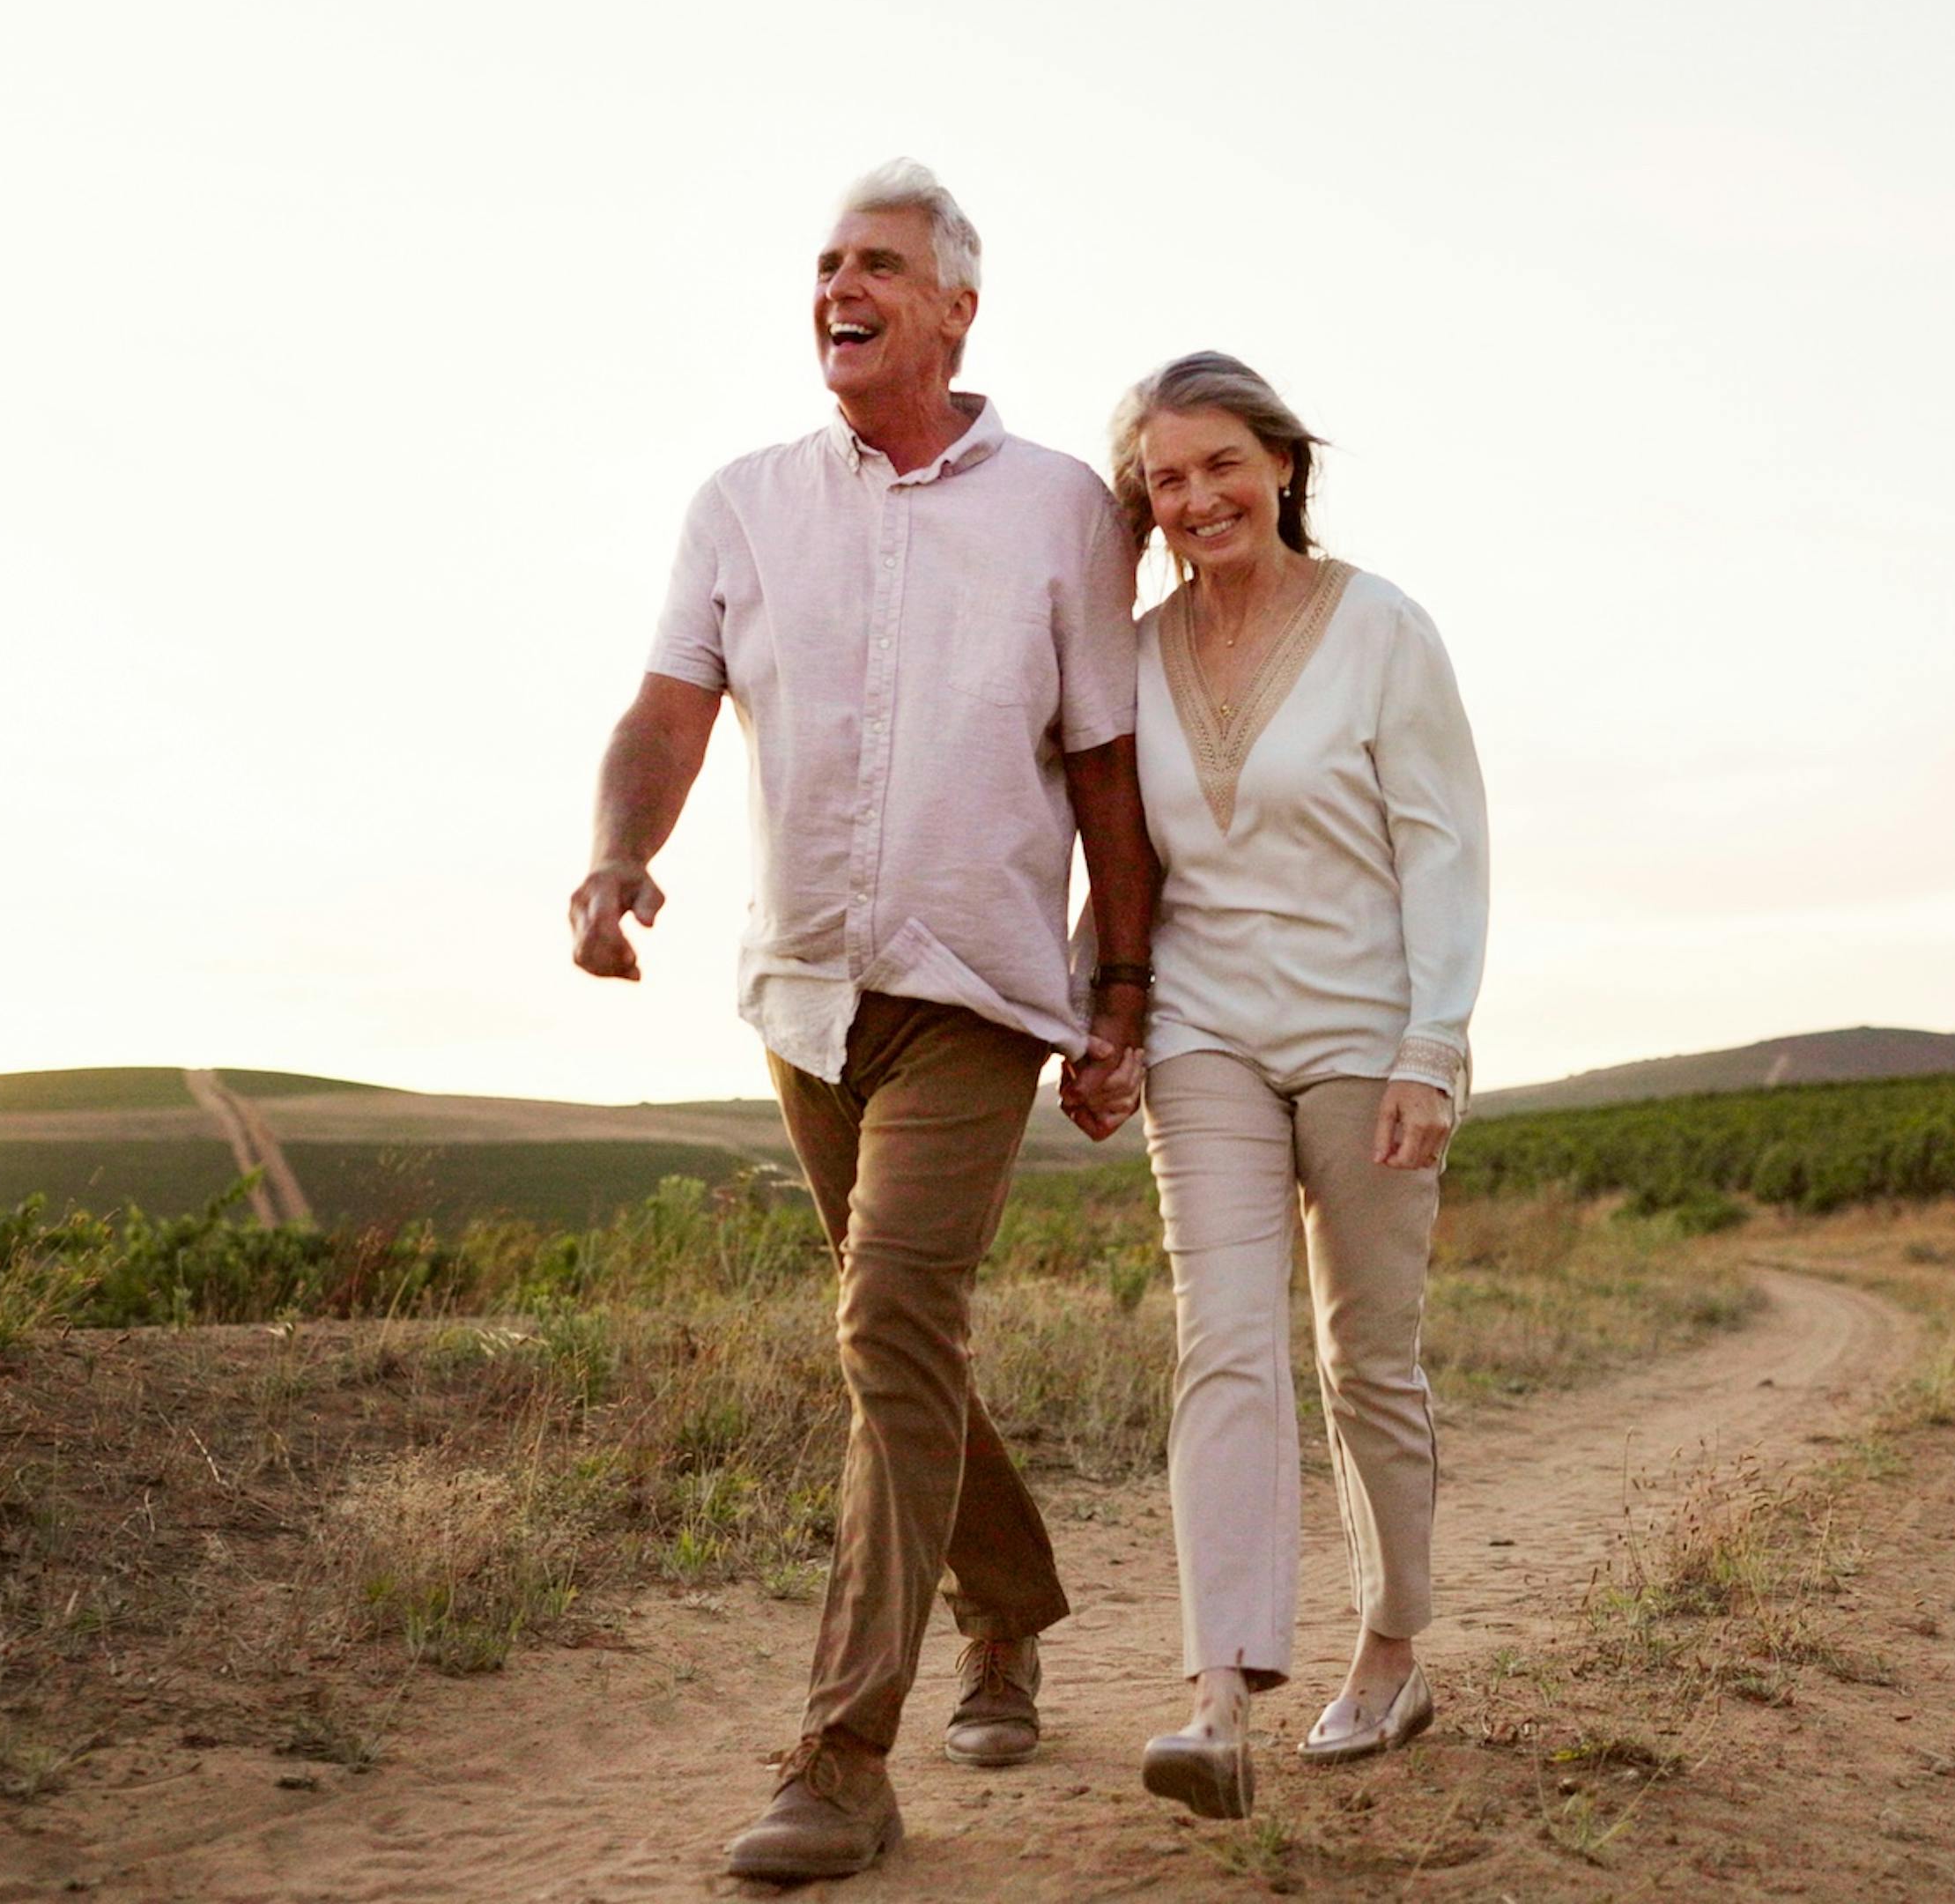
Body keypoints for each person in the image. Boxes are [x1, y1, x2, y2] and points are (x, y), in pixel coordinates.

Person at [568, 159, 1153, 1884]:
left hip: (976, 991)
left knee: (891, 1319)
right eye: (827, 263)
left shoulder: (1060, 509)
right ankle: (1010, 1608)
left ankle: (840, 1755)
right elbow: (672, 710)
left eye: (880, 264)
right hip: (805, 996)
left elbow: (1110, 770)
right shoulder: (743, 503)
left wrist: (1117, 995)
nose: (843, 284)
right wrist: (616, 861)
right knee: (897, 1337)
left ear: (957, 306)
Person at [1073, 352, 1488, 1821]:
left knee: (1366, 1354)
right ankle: (1217, 1697)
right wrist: (1099, 1017)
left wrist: (1432, 1047)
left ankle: (1389, 1650)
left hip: (1368, 1034)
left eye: (1222, 466)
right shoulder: (1126, 656)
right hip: (1204, 1033)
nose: (1197, 500)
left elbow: (1444, 845)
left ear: (1283, 466)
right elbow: (1120, 856)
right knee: (1222, 1338)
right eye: (1167, 480)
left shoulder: (1382, 628)